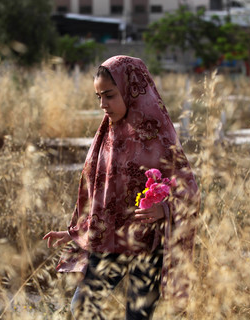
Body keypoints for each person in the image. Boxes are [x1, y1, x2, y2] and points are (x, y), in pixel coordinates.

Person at [43, 56, 199, 319]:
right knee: (81, 308)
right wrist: (75, 231)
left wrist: (165, 209)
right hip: (108, 243)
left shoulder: (158, 135)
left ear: (131, 89)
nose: (103, 104)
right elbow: (97, 194)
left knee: (136, 317)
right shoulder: (107, 135)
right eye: (99, 97)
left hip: (149, 248)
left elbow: (189, 189)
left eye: (110, 96)